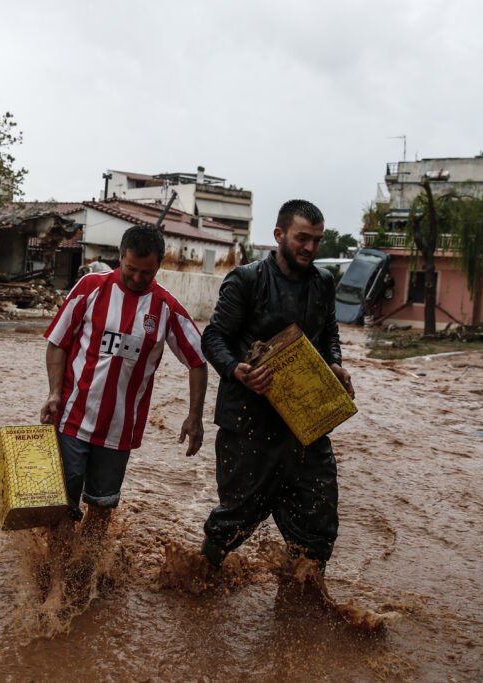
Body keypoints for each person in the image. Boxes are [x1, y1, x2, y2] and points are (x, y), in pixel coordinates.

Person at [40, 224, 208, 608]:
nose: (136, 277)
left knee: (100, 508)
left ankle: (83, 581)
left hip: (119, 432)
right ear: (121, 256)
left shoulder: (165, 308)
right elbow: (56, 343)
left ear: (158, 266)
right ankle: (57, 585)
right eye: (130, 268)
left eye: (145, 272)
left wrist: (194, 416)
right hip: (71, 418)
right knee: (62, 508)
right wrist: (53, 392)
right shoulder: (89, 289)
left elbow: (198, 362)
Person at [197, 199, 354, 580]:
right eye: (302, 238)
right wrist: (238, 370)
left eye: (317, 240)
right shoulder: (247, 279)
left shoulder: (322, 283)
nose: (310, 248)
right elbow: (214, 337)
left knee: (318, 519)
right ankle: (198, 582)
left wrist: (334, 362)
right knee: (236, 517)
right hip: (249, 418)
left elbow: (328, 332)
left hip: (305, 419)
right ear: (279, 235)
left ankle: (297, 604)